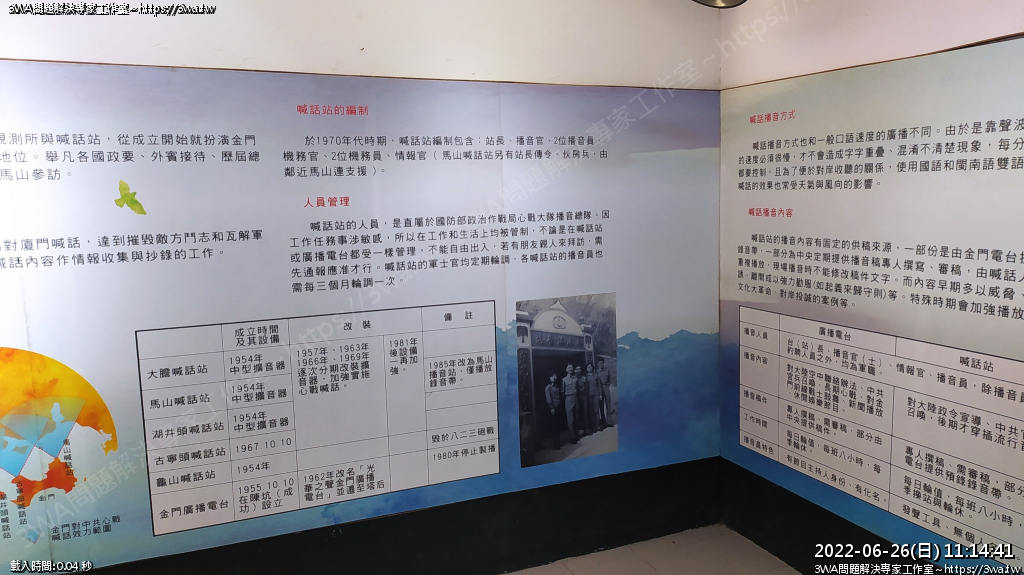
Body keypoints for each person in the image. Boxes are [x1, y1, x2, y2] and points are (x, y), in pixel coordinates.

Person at [544, 371, 562, 449]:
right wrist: (551, 407)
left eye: (555, 376)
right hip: (553, 408)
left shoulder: (557, 386)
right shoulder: (548, 387)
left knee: (558, 425)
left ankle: (558, 442)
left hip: (558, 407)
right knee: (554, 426)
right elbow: (548, 398)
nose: (554, 378)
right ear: (549, 378)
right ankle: (555, 444)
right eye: (552, 376)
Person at [561, 363, 578, 444]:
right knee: (570, 420)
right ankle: (572, 437)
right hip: (568, 399)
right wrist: (567, 398)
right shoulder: (564, 380)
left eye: (571, 367)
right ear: (566, 370)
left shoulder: (576, 378)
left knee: (576, 418)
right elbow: (562, 392)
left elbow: (577, 388)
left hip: (576, 398)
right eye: (569, 368)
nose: (570, 369)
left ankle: (577, 435)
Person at [585, 363, 602, 434]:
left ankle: (598, 426)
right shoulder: (586, 377)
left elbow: (599, 385)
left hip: (596, 394)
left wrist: (600, 394)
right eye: (588, 367)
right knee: (591, 412)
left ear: (592, 367)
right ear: (586, 369)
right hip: (589, 396)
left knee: (596, 411)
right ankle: (593, 427)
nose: (589, 368)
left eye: (590, 367)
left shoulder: (596, 375)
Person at [598, 359, 614, 428]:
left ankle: (609, 421)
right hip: (600, 388)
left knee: (608, 404)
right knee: (601, 405)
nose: (601, 364)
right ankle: (603, 421)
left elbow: (609, 379)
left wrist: (608, 385)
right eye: (599, 363)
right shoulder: (597, 372)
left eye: (602, 363)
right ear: (598, 364)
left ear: (603, 363)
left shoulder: (607, 370)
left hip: (606, 387)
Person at [574, 365, 588, 436]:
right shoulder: (573, 378)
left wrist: (586, 396)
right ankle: (577, 433)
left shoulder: (584, 378)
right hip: (576, 396)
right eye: (577, 369)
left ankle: (585, 430)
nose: (578, 370)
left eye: (579, 369)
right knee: (576, 415)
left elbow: (587, 388)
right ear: (574, 370)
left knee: (585, 413)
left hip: (583, 396)